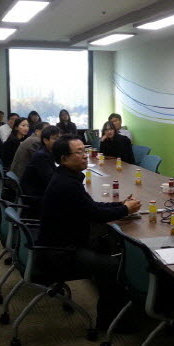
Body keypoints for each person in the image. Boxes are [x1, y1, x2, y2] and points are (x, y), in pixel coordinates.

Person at [37, 135, 141, 329]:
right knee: (112, 265)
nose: (85, 156)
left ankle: (120, 304)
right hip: (61, 251)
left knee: (107, 244)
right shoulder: (67, 184)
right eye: (79, 152)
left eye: (84, 151)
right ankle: (108, 321)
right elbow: (95, 214)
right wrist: (125, 210)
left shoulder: (67, 177)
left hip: (64, 240)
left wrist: (120, 204)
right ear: (64, 159)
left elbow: (90, 206)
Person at [20, 125, 61, 214]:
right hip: (35, 197)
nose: (58, 141)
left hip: (38, 192)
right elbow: (51, 181)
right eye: (55, 138)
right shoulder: (42, 156)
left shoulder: (46, 151)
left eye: (59, 138)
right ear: (45, 140)